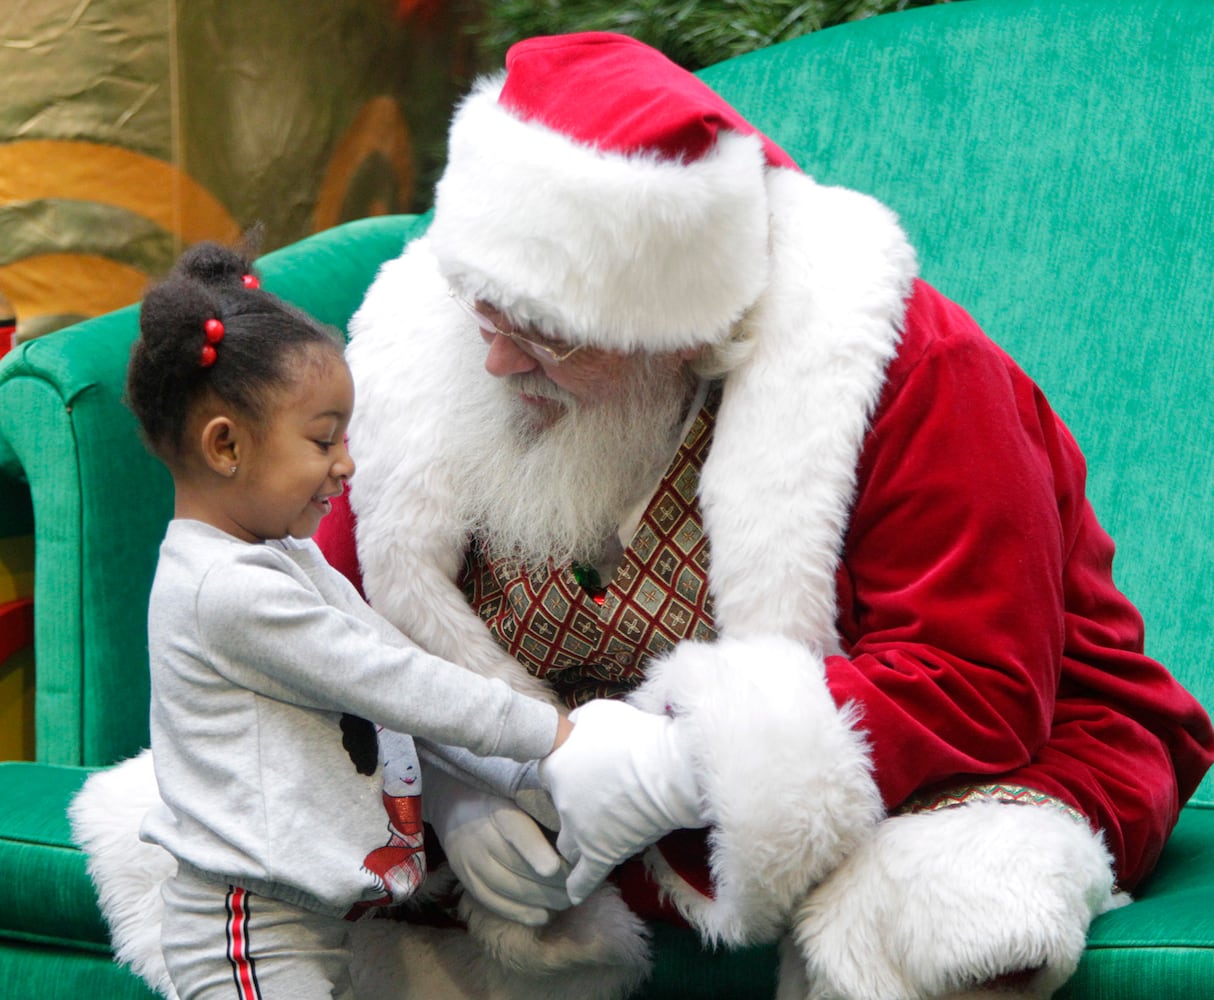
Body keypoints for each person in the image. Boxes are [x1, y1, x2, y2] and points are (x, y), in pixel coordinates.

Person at [74, 32, 1214, 1000]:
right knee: (244, 849)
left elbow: (975, 680)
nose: (495, 351)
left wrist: (679, 767)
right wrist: (457, 793)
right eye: (485, 304)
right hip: (547, 783)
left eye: (546, 328)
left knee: (948, 908)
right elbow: (329, 626)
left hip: (970, 752)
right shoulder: (433, 341)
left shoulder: (910, 369)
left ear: (679, 329)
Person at [107, 241, 694, 1000]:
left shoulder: (285, 557)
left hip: (307, 920)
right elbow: (395, 681)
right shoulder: (225, 591)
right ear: (226, 446)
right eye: (323, 441)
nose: (347, 466)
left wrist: (522, 778)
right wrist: (552, 736)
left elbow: (384, 645)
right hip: (246, 926)